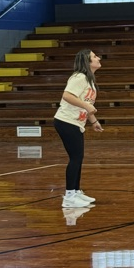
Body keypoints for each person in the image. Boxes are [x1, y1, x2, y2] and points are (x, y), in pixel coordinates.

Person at [53, 48, 104, 209]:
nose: (98, 58)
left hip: (76, 123)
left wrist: (93, 121)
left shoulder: (89, 80)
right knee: (75, 158)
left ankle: (75, 191)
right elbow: (67, 96)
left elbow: (86, 103)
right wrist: (86, 106)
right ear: (87, 62)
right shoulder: (79, 77)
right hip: (66, 121)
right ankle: (69, 196)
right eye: (95, 56)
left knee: (78, 158)